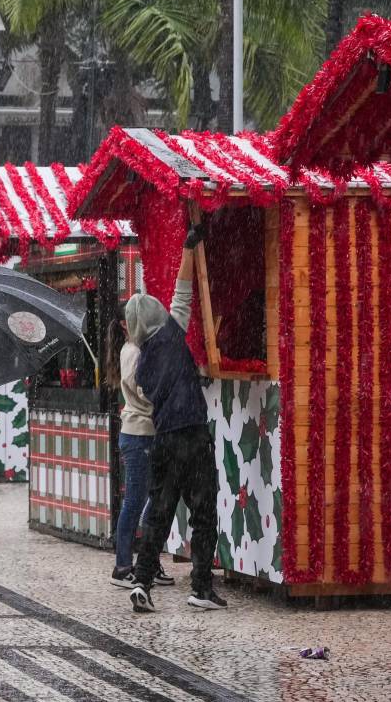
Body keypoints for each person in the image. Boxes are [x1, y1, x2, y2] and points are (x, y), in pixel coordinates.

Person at [129, 221, 227, 613]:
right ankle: (201, 587)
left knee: (159, 510)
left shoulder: (141, 364)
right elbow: (182, 294)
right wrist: (190, 246)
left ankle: (142, 581)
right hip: (193, 437)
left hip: (164, 441)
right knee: (203, 513)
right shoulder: (172, 332)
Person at [110, 299, 174, 590]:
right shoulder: (132, 351)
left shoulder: (138, 349)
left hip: (145, 433)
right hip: (139, 435)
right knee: (136, 501)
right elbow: (143, 391)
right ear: (126, 324)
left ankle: (148, 561)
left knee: (151, 500)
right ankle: (123, 567)